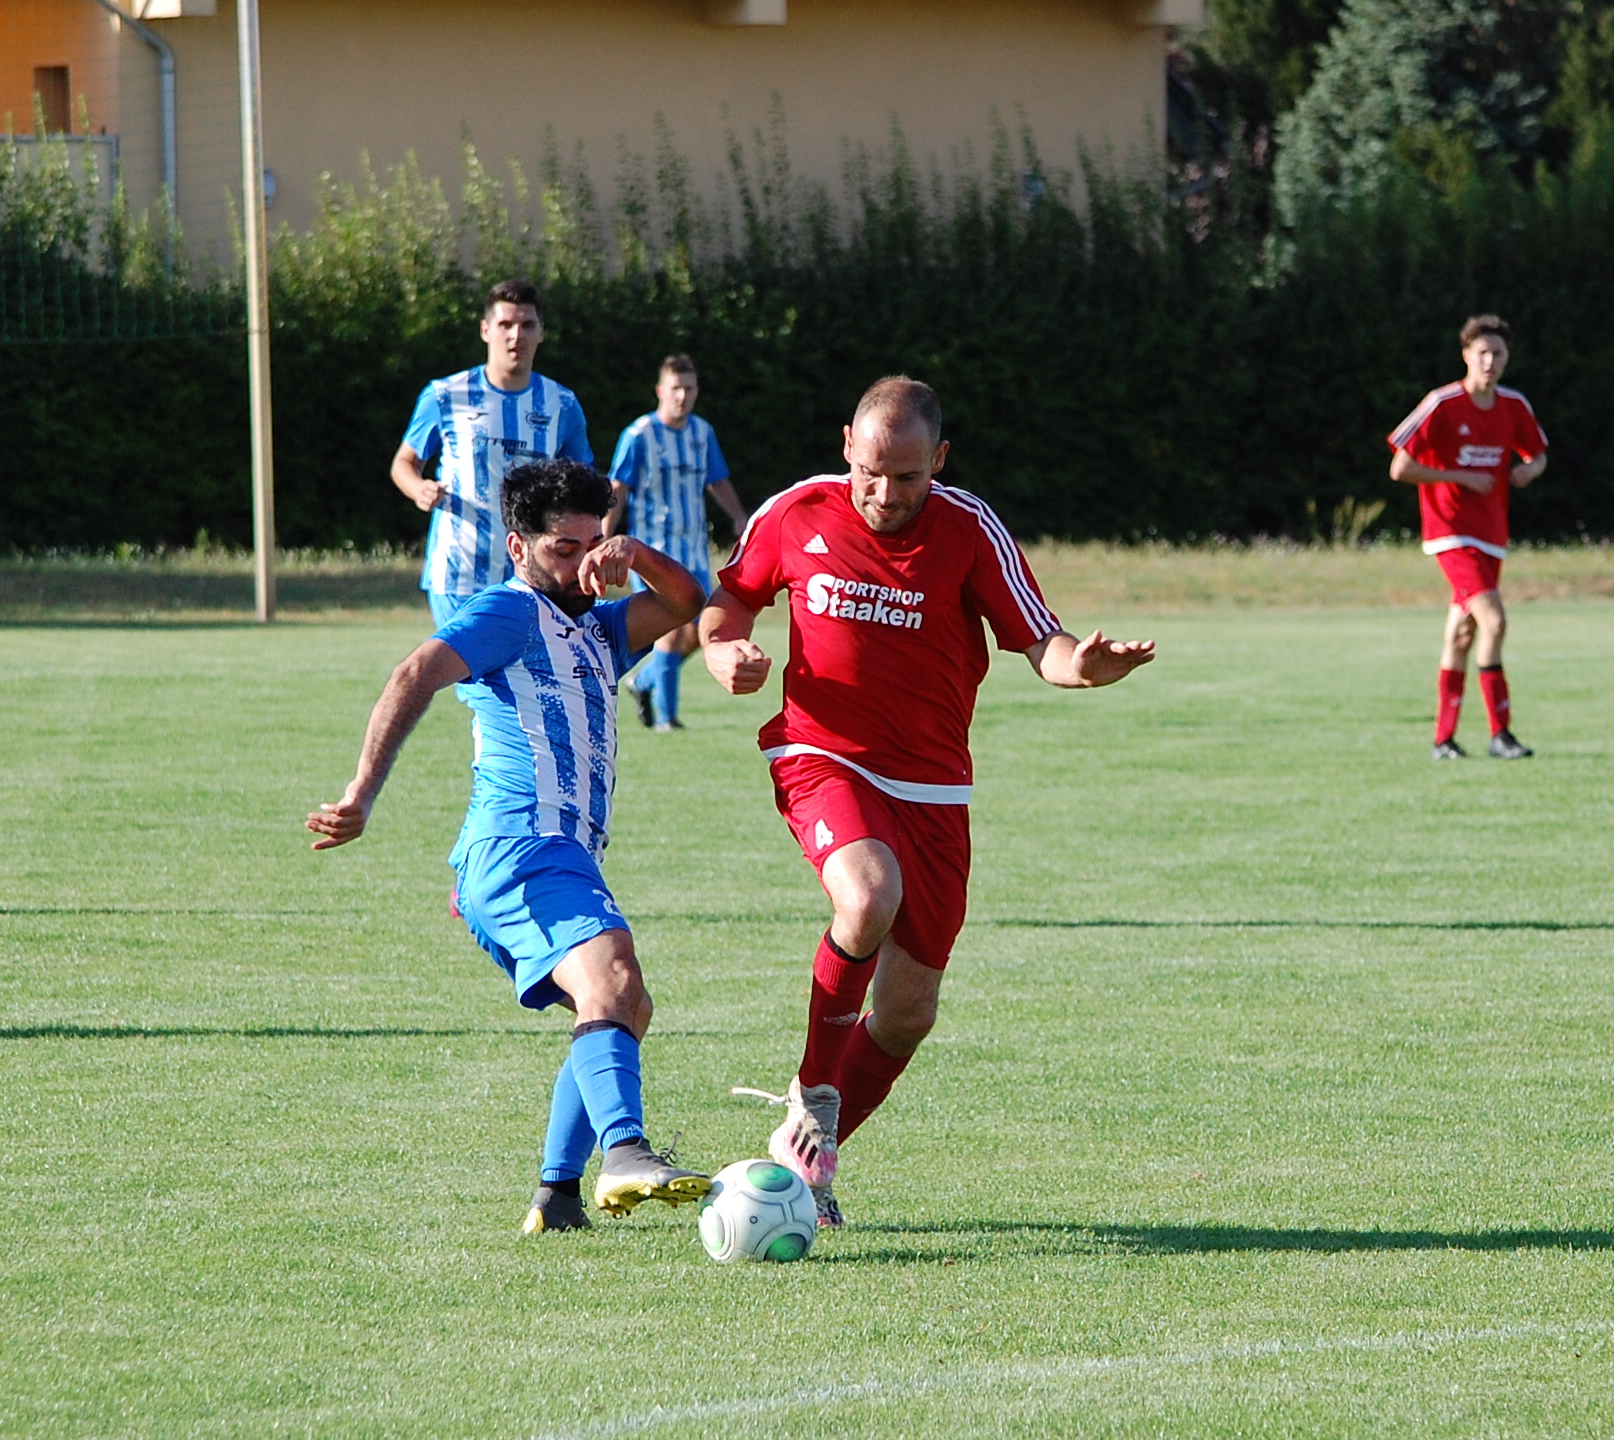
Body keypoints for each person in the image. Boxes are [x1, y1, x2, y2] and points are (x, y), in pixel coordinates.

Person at [701, 376, 1155, 1228]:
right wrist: (724, 650)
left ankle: (807, 1168)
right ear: (847, 445)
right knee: (867, 894)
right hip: (821, 755)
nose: (885, 493)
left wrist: (1082, 670)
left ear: (938, 461)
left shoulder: (970, 529)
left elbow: (1041, 641)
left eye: (907, 478)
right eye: (872, 471)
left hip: (933, 788)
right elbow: (731, 598)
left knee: (907, 1014)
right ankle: (817, 1090)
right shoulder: (795, 512)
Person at [307, 459, 710, 1234]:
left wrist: (635, 555)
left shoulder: (597, 626)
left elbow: (687, 602)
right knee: (614, 973)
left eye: (595, 543)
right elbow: (416, 671)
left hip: (551, 857)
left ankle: (556, 1199)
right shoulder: (511, 612)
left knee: (625, 1004)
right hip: (523, 847)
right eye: (566, 547)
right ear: (519, 546)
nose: (584, 562)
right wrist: (361, 792)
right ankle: (625, 1153)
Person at [390, 279, 593, 631]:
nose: (517, 335)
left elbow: (583, 486)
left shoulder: (561, 404)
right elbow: (404, 464)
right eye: (505, 325)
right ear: (486, 330)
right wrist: (418, 489)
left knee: (516, 680)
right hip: (459, 572)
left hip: (533, 573)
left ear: (541, 332)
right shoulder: (446, 396)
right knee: (477, 678)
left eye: (527, 325)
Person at [1388, 314, 1548, 760]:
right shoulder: (1442, 404)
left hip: (1492, 534)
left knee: (1462, 633)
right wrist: (1459, 476)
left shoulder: (1514, 405)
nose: (1490, 362)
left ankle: (1443, 740)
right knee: (1494, 622)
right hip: (1451, 533)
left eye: (1498, 354)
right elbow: (1400, 467)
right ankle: (1501, 734)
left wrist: (1527, 471)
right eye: (1482, 354)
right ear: (1466, 356)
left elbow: (1538, 455)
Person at [604, 355, 749, 732]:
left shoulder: (702, 433)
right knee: (669, 629)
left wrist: (738, 516)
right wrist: (604, 536)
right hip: (653, 552)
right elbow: (618, 488)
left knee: (704, 629)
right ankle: (666, 720)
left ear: (697, 391)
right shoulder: (638, 436)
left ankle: (644, 682)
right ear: (660, 391)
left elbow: (717, 480)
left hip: (694, 550)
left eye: (689, 388)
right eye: (675, 388)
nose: (682, 396)